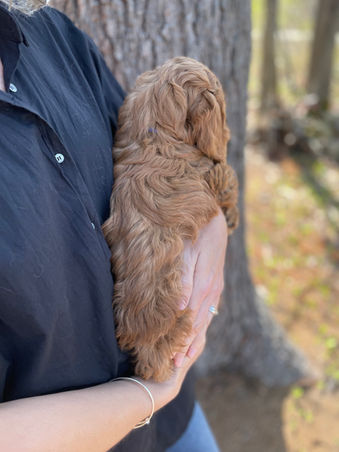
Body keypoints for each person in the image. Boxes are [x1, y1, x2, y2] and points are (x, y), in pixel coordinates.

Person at [0, 1, 228, 450]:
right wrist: (148, 394)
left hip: (177, 423)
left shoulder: (52, 36)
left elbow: (159, 157)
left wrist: (212, 225)